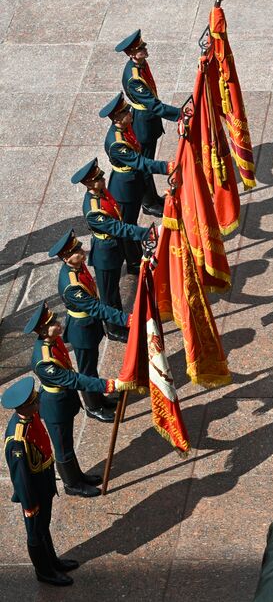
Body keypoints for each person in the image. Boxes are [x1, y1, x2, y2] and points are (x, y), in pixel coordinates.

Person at [25, 305, 130, 498]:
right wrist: (109, 385)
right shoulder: (45, 361)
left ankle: (78, 476)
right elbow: (74, 379)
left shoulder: (52, 342)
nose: (58, 324)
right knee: (63, 448)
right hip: (55, 407)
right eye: (53, 324)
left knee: (68, 444)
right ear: (42, 331)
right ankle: (72, 484)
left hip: (64, 400)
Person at [50, 229, 130, 422]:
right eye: (76, 250)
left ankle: (99, 398)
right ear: (66, 258)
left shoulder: (77, 267)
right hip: (82, 329)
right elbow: (95, 307)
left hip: (89, 325)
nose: (82, 251)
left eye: (79, 247)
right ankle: (93, 407)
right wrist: (126, 319)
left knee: (92, 367)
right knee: (87, 370)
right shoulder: (71, 286)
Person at [4, 377, 77, 586]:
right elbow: (21, 477)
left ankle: (52, 561)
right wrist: (29, 506)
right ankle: (44, 572)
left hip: (44, 482)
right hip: (33, 491)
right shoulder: (17, 439)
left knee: (44, 527)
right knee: (35, 533)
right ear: (25, 407)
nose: (38, 404)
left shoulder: (30, 417)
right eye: (34, 402)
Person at [71, 159, 150, 341]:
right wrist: (146, 233)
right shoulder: (93, 210)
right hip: (105, 254)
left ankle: (119, 322)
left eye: (101, 176)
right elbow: (117, 228)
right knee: (109, 294)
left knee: (113, 290)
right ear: (88, 183)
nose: (103, 179)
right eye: (98, 178)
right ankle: (114, 329)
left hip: (114, 247)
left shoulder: (102, 194)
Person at [101, 93, 172, 273]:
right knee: (129, 225)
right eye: (126, 112)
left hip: (134, 181)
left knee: (131, 222)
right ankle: (134, 263)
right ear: (117, 118)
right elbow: (139, 161)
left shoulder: (125, 128)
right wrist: (167, 167)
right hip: (124, 189)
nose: (130, 113)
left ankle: (137, 257)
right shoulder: (116, 143)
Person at [115, 30, 181, 216]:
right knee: (145, 165)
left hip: (149, 120)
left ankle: (153, 197)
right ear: (131, 54)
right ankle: (149, 203)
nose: (145, 49)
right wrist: (180, 114)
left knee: (148, 162)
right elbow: (153, 105)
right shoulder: (134, 77)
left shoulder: (141, 65)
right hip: (143, 122)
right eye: (140, 48)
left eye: (143, 46)